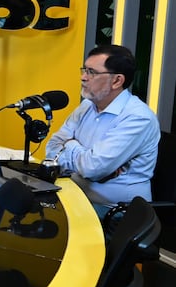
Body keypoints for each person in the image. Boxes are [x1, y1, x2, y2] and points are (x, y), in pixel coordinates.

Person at [45, 44, 160, 216]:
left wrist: (70, 146)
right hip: (74, 197)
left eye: (92, 72)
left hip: (115, 211)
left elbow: (93, 168)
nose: (83, 77)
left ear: (117, 81)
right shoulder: (86, 106)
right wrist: (86, 159)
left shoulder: (138, 117)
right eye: (84, 70)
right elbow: (52, 148)